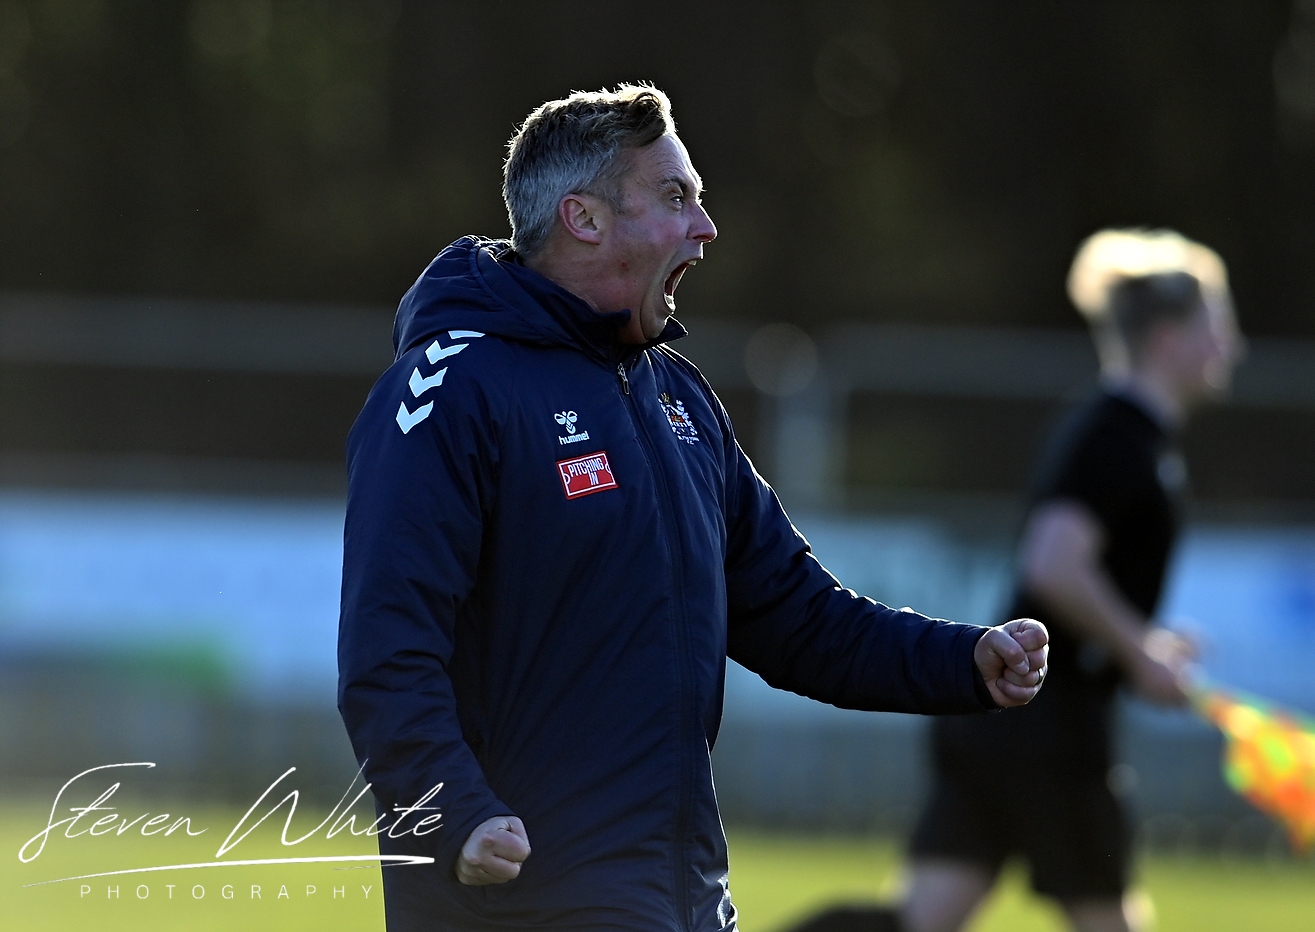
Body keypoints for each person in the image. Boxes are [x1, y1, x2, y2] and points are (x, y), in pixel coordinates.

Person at [337, 83, 1049, 932]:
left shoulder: (678, 398)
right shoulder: (450, 386)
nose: (705, 228)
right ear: (583, 218)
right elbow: (387, 649)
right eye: (676, 197)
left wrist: (963, 661)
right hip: (521, 901)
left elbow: (797, 615)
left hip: (683, 902)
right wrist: (454, 812)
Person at [900, 229, 1244, 932]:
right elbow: (1053, 564)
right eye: (1218, 327)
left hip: (1001, 715)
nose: (1232, 348)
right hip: (1050, 726)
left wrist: (1143, 642)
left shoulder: (1128, 436)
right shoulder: (1116, 436)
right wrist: (1138, 651)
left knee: (918, 923)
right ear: (1169, 338)